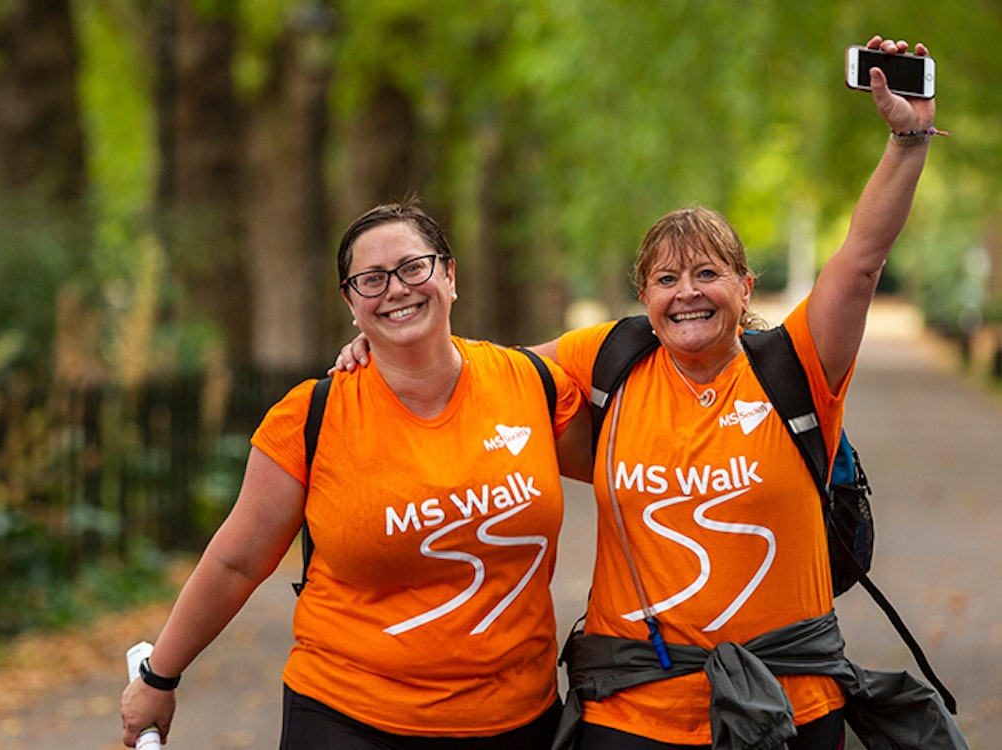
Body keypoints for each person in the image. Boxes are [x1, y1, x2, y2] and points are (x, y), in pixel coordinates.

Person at [334, 37, 968, 750]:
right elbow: (480, 377)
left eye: (708, 274)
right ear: (643, 297)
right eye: (666, 280)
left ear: (745, 287)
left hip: (790, 711)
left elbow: (858, 262)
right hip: (630, 716)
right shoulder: (606, 359)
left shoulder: (797, 365)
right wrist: (388, 344)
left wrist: (909, 138)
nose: (687, 293)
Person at [120, 200, 593, 750]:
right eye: (371, 280)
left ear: (450, 274)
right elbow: (236, 560)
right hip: (348, 717)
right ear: (350, 302)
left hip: (518, 721)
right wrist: (159, 677)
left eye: (414, 267)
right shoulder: (310, 417)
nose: (396, 289)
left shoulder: (529, 384)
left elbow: (633, 467)